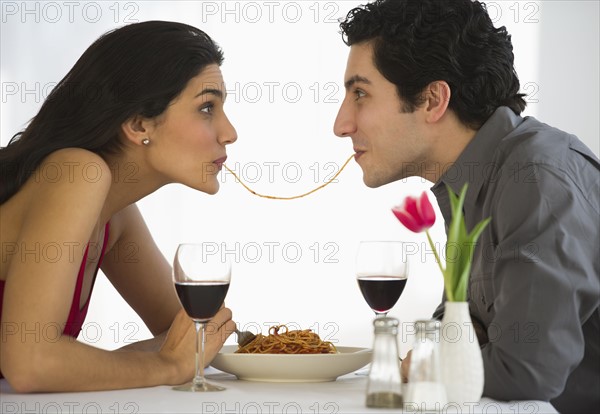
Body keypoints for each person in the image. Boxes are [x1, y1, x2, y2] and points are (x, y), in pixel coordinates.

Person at [333, 0, 599, 412]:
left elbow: (526, 370)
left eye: (361, 94)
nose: (341, 124)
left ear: (433, 100)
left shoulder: (537, 177)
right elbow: (457, 327)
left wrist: (424, 362)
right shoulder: (473, 177)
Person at [0, 21, 237, 392]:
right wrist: (166, 366)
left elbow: (189, 332)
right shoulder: (79, 171)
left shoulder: (115, 213)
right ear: (139, 123)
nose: (229, 132)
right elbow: (31, 365)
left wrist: (170, 358)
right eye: (207, 107)